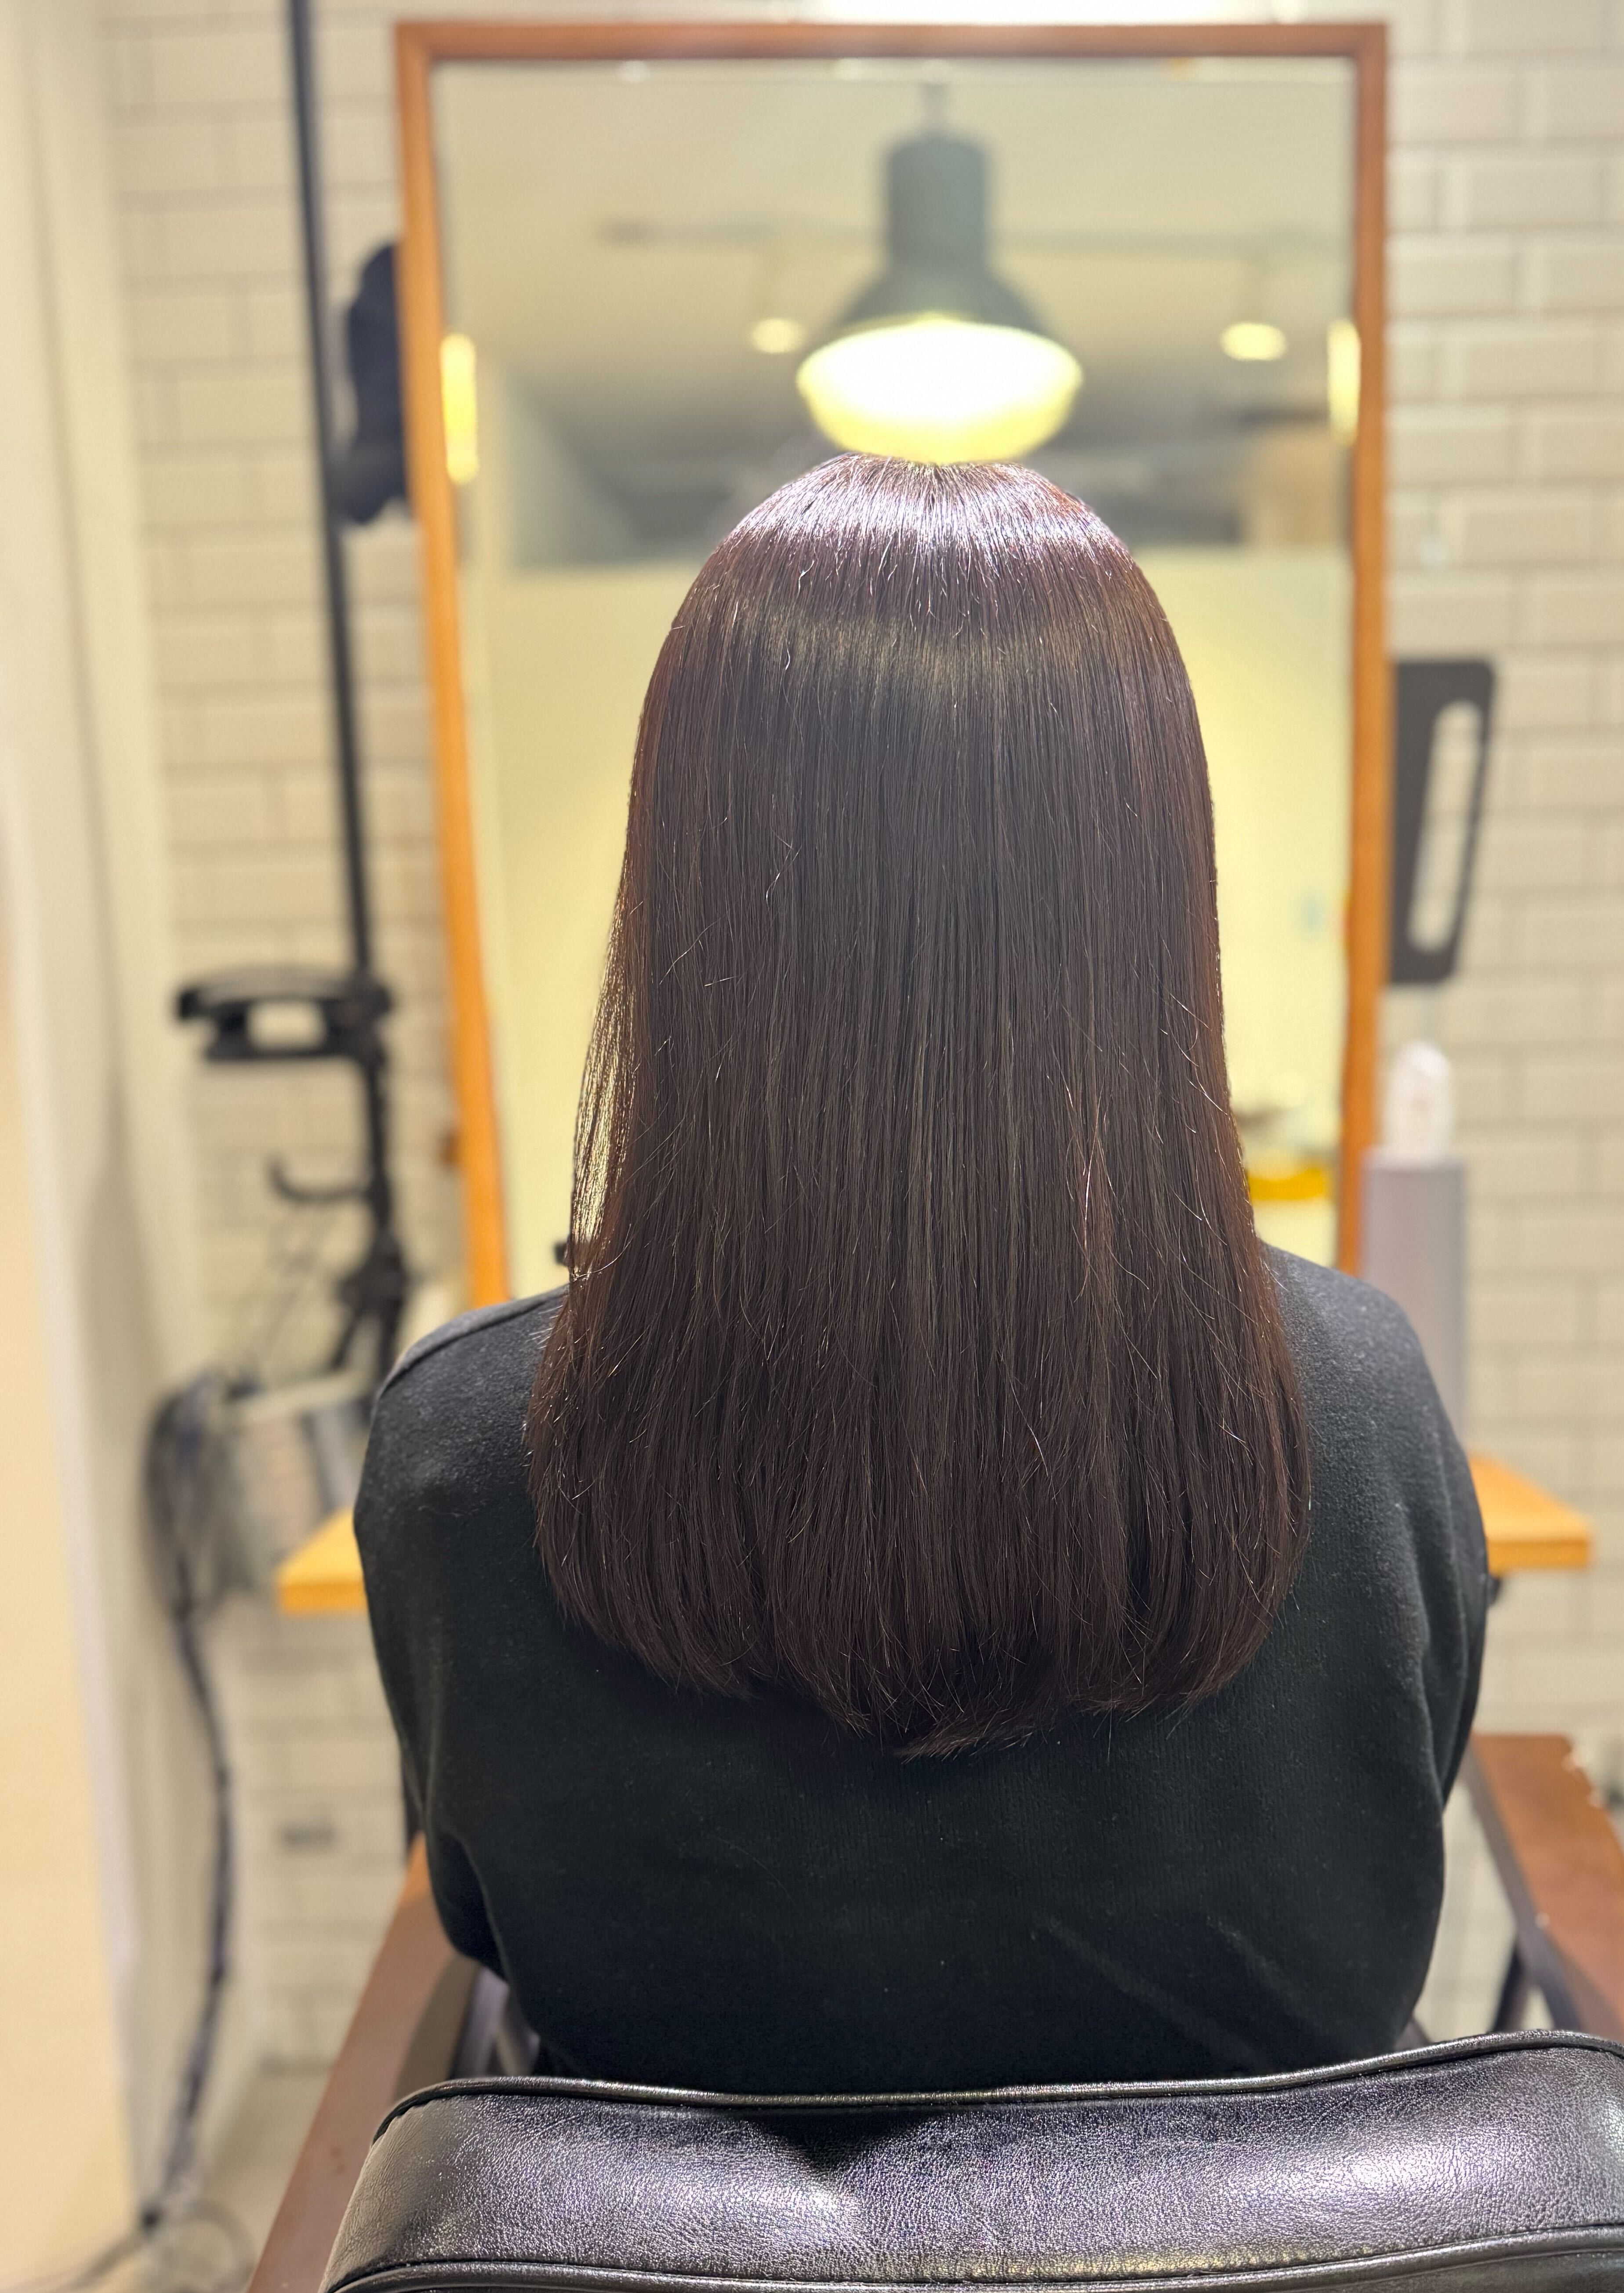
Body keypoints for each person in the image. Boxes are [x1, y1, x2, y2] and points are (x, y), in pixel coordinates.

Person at [358, 455, 1486, 2095]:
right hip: (1264, 2258)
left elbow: (481, 1916)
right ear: (1151, 894)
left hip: (666, 2268)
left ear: (681, 885)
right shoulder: (1362, 1410)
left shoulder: (463, 1458)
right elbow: (1395, 1833)